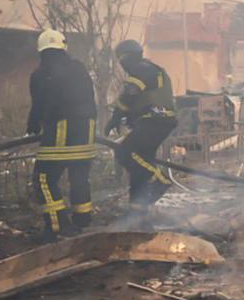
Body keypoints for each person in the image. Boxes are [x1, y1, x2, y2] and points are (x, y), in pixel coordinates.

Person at [27, 28, 97, 240]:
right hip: (87, 131)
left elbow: (39, 102)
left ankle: (57, 227)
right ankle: (82, 220)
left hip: (62, 131)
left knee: (43, 178)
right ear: (63, 47)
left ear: (41, 51)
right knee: (79, 176)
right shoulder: (79, 68)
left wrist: (32, 124)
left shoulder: (40, 73)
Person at [104, 40, 178, 209]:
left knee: (125, 152)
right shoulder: (149, 69)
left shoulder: (141, 70)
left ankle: (160, 179)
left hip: (155, 122)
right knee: (140, 166)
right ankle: (138, 210)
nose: (122, 65)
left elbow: (129, 95)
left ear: (126, 58)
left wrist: (115, 118)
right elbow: (139, 99)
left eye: (121, 60)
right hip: (156, 121)